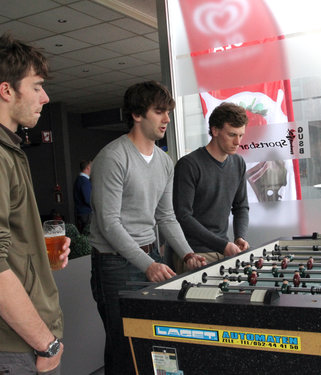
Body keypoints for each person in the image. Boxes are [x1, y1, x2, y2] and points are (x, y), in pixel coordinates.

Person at [89, 80, 206, 375]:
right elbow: (108, 223)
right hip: (114, 264)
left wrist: (188, 253)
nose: (167, 119)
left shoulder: (165, 162)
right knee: (123, 344)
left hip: (151, 256)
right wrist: (147, 264)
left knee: (151, 341)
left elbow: (166, 216)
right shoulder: (113, 157)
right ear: (137, 114)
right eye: (159, 111)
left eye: (168, 112)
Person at [0, 33, 70, 374]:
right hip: (16, 346)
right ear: (6, 90)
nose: (45, 97)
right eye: (37, 86)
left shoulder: (11, 149)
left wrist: (36, 255)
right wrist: (47, 343)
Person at [172, 102, 249, 273]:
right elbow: (183, 216)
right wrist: (222, 245)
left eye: (241, 135)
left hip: (225, 250)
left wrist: (240, 236)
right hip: (194, 254)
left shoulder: (238, 163)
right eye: (232, 135)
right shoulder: (189, 165)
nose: (238, 142)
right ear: (215, 131)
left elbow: (241, 207)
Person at [73, 159, 92, 234]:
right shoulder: (84, 181)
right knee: (88, 236)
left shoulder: (79, 179)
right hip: (86, 215)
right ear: (88, 168)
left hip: (81, 213)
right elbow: (88, 199)